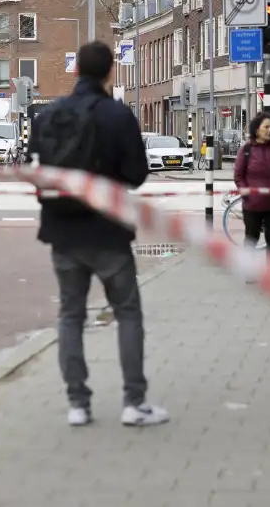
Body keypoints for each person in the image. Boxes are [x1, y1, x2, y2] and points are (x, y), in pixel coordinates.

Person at [28, 40, 166, 428]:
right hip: (107, 231)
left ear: (75, 71)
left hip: (62, 231)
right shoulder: (117, 116)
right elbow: (137, 174)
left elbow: (34, 173)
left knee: (70, 315)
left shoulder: (48, 117)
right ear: (110, 72)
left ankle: (77, 404)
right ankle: (134, 403)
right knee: (127, 313)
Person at [233, 113, 270, 259]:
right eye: (266, 127)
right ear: (257, 129)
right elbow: (239, 176)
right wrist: (247, 194)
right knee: (251, 239)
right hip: (253, 205)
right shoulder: (246, 150)